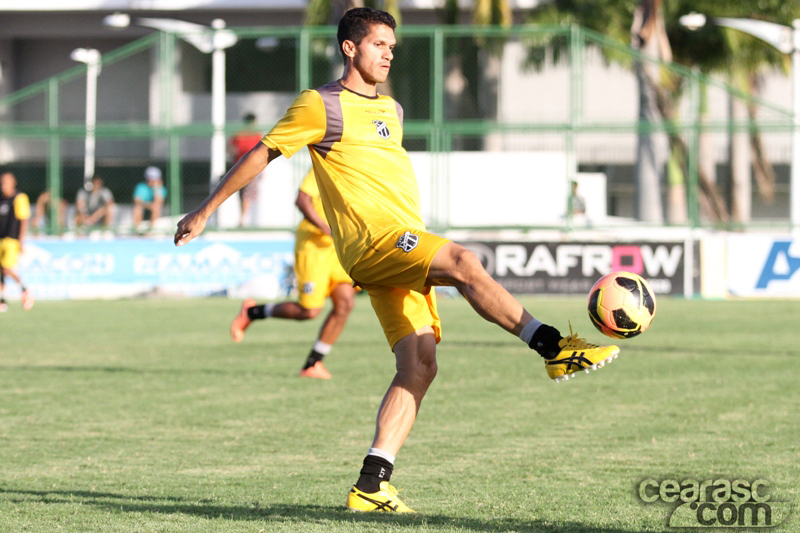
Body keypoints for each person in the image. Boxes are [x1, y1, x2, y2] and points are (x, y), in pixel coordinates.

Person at [175, 8, 619, 513]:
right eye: (378, 44)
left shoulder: (392, 108)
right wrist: (206, 209)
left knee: (420, 363)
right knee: (463, 261)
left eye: (392, 45)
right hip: (377, 243)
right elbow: (261, 153)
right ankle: (553, 348)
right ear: (349, 48)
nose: (389, 52)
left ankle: (371, 483)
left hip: (400, 247)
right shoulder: (320, 104)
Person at [230, 169, 357, 380]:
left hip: (337, 249)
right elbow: (302, 200)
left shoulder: (362, 167)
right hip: (313, 247)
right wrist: (326, 228)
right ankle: (253, 312)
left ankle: (312, 363)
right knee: (309, 311)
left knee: (345, 303)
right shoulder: (326, 166)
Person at [0, 171, 34, 312]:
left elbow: (24, 219)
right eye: (2, 182)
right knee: (1, 271)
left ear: (13, 183)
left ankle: (25, 289)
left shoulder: (19, 198)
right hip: (1, 239)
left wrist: (21, 241)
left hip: (12, 240)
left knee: (6, 268)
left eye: (6, 182)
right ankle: (2, 300)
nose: (3, 185)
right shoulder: (1, 198)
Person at [229, 113, 265, 227]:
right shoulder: (252, 134)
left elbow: (230, 149)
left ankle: (244, 218)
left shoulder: (241, 134)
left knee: (245, 193)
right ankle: (244, 219)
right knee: (245, 194)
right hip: (248, 167)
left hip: (244, 167)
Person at [133, 166, 166, 234]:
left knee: (156, 208)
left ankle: (151, 230)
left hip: (153, 206)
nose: (152, 181)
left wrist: (156, 189)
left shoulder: (160, 188)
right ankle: (137, 230)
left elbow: (159, 202)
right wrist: (147, 205)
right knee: (137, 208)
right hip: (143, 206)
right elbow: (137, 201)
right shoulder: (141, 186)